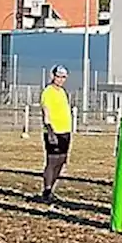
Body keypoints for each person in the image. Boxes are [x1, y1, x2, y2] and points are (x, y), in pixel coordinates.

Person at [39, 65, 73, 204]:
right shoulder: (48, 92)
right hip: (54, 131)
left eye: (63, 77)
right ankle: (46, 191)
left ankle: (51, 189)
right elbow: (46, 112)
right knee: (52, 161)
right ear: (53, 76)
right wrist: (50, 130)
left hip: (65, 131)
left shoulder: (62, 92)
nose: (60, 79)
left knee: (61, 161)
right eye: (58, 76)